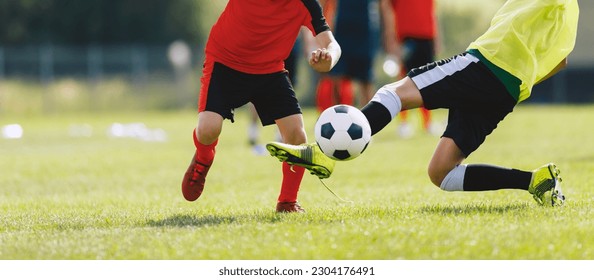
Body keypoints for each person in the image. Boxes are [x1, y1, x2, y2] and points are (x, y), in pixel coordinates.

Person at [266, 0, 579, 207]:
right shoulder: (571, 16)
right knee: (441, 172)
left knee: (393, 93)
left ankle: (325, 155)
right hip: (508, 89)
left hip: (485, 64)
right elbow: (560, 62)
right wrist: (520, 82)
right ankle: (536, 181)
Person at [182, 0, 342, 213]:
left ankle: (287, 202)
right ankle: (203, 158)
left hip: (269, 70)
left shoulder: (305, 3)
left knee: (297, 136)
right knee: (208, 130)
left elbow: (331, 43)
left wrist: (329, 58)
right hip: (225, 62)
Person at [382, 0, 439, 138]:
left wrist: (436, 38)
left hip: (427, 36)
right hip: (405, 37)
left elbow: (433, 11)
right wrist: (390, 37)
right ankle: (403, 123)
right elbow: (386, 8)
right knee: (404, 81)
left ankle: (427, 122)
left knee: (428, 81)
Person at [323, 0, 382, 109]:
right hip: (341, 28)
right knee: (336, 78)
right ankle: (337, 119)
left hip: (365, 29)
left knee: (366, 80)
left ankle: (369, 121)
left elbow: (384, 5)